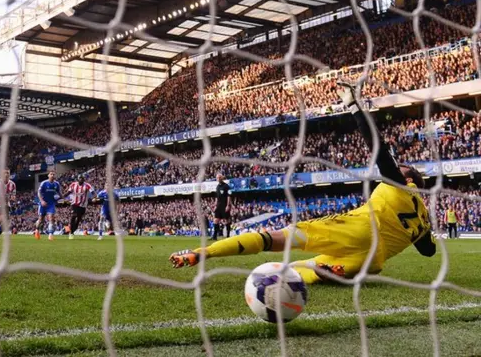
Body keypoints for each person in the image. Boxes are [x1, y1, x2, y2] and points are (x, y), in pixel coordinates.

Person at [168, 83, 436, 285]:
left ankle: (203, 253)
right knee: (291, 272)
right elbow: (428, 251)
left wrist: (355, 107)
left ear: (409, 179)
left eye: (401, 170)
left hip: (357, 229)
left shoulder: (401, 186)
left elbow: (379, 151)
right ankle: (331, 271)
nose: (394, 171)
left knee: (280, 238)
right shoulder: (421, 215)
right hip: (373, 260)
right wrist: (424, 231)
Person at [61, 175, 94, 239]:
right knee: (73, 216)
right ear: (77, 179)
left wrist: (95, 197)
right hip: (74, 204)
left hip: (83, 205)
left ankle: (72, 231)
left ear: (84, 179)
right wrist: (62, 197)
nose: (81, 179)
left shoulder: (87, 185)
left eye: (82, 178)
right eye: (80, 178)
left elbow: (93, 192)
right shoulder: (73, 184)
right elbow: (68, 192)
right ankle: (70, 232)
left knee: (78, 219)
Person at [35, 172, 61, 241]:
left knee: (51, 218)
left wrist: (60, 198)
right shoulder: (44, 183)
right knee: (41, 220)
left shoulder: (57, 184)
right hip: (43, 203)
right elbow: (39, 192)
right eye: (51, 174)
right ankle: (37, 230)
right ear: (48, 175)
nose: (52, 175)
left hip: (51, 203)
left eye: (53, 174)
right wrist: (42, 201)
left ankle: (50, 234)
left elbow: (59, 193)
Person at [211, 173, 232, 240]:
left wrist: (228, 205)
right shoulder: (217, 187)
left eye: (220, 177)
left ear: (222, 178)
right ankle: (214, 236)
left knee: (227, 220)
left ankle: (228, 235)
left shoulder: (226, 186)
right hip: (219, 206)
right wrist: (215, 205)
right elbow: (217, 198)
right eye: (217, 177)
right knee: (216, 220)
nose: (218, 179)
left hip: (225, 205)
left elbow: (229, 196)